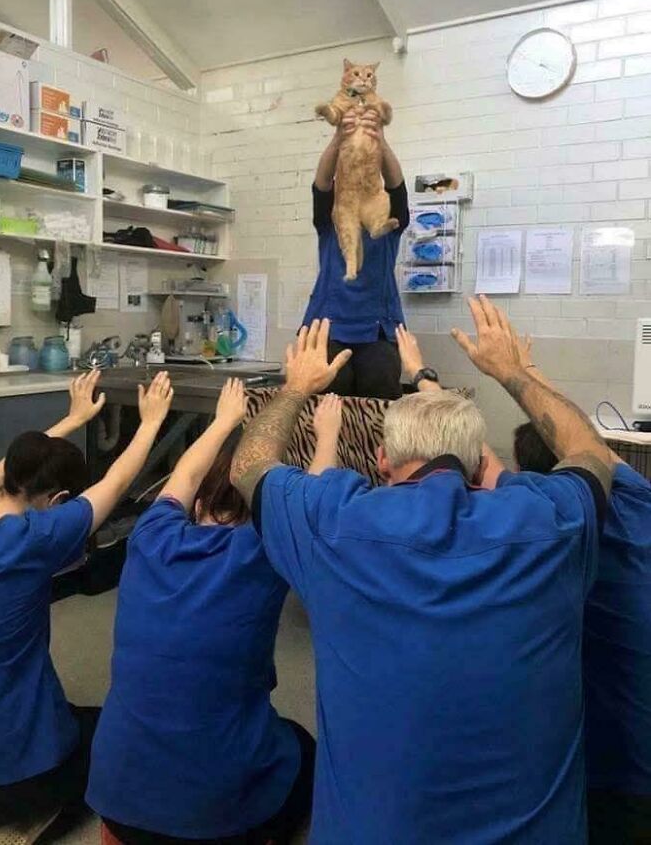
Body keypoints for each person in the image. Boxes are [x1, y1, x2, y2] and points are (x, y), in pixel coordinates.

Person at [230, 305, 612, 845]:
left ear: (381, 459)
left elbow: (248, 466)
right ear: (481, 466)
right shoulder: (553, 520)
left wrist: (295, 389)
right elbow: (591, 451)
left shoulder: (333, 523)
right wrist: (511, 371)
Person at [87, 382, 344, 845]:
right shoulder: (261, 549)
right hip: (212, 820)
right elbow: (311, 505)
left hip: (114, 802)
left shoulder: (150, 537)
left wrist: (224, 421)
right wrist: (328, 436)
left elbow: (184, 477)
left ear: (200, 504)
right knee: (303, 748)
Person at [0, 371, 173, 845]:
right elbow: (117, 481)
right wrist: (152, 422)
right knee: (110, 740)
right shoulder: (34, 538)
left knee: (66, 714)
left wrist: (71, 420)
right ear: (58, 500)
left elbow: (1, 471)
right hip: (5, 774)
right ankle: (24, 821)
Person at [495, 354, 651, 845]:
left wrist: (425, 379)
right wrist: (521, 372)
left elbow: (482, 470)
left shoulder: (550, 543)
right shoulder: (639, 497)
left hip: (626, 783)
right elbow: (589, 444)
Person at [302, 108, 410, 399]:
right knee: (327, 400)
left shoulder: (389, 226)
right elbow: (322, 184)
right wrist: (338, 138)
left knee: (379, 395)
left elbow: (397, 187)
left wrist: (380, 141)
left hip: (378, 331)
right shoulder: (330, 223)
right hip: (326, 329)